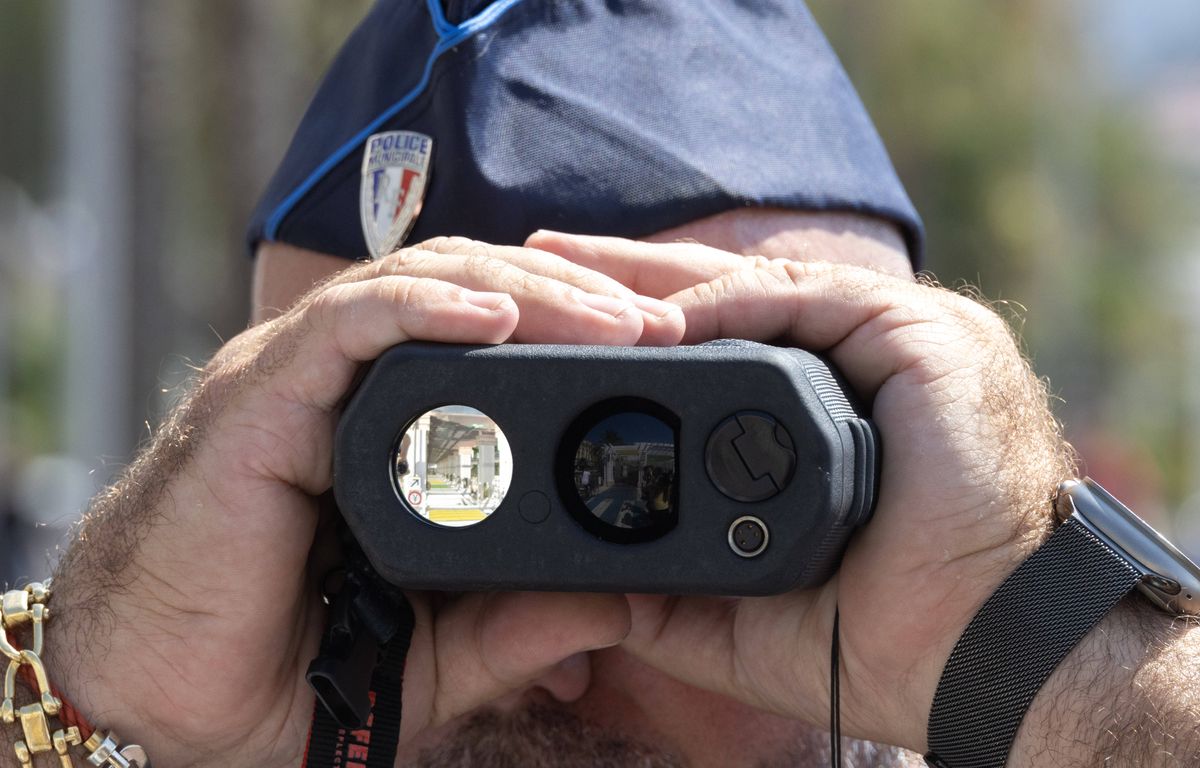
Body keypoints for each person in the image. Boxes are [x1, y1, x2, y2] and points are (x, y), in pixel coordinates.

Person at [9, 3, 1200, 768]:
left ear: (890, 474)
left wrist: (1061, 669)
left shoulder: (1037, 695)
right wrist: (90, 700)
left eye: (661, 473)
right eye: (389, 486)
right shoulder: (165, 725)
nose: (548, 643)